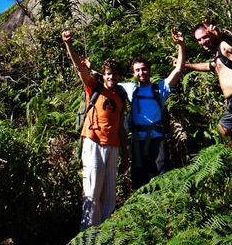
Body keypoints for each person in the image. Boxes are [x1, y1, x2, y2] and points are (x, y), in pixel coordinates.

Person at [61, 30, 128, 230]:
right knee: (91, 192)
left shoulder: (121, 97)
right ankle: (88, 236)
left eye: (115, 74)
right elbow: (78, 68)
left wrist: (125, 155)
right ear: (104, 74)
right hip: (94, 142)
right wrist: (68, 44)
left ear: (119, 76)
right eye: (108, 74)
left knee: (108, 196)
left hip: (113, 147)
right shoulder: (94, 87)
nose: (111, 77)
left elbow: (121, 128)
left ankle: (105, 234)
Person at [184, 20, 232, 197]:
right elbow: (207, 66)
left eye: (204, 37)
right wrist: (184, 66)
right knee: (223, 128)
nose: (202, 42)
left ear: (211, 34)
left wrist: (222, 35)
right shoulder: (217, 56)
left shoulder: (224, 45)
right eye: (199, 40)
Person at [118, 28, 185, 189]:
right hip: (137, 141)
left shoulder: (159, 89)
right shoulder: (130, 89)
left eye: (144, 69)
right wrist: (90, 68)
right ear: (133, 73)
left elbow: (179, 70)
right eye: (138, 70)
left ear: (149, 70)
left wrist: (181, 45)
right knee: (140, 182)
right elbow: (107, 81)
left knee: (162, 176)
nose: (141, 72)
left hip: (158, 140)